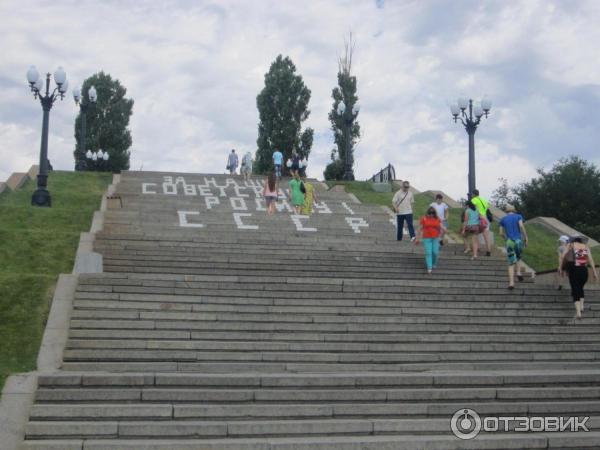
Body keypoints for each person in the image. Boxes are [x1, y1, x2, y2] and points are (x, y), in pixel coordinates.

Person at [560, 236, 598, 320]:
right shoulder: (586, 247)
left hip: (574, 270)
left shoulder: (571, 245)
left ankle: (578, 313)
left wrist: (561, 268)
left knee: (575, 289)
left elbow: (563, 256)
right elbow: (591, 260)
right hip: (584, 270)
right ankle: (581, 306)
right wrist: (595, 272)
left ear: (573, 240)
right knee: (580, 288)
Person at [498, 204, 529, 290]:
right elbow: (521, 226)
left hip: (509, 242)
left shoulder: (503, 219)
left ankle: (511, 283)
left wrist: (506, 239)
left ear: (506, 211)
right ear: (514, 210)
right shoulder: (518, 216)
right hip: (518, 241)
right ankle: (518, 272)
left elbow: (500, 233)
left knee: (511, 263)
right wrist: (526, 237)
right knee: (518, 257)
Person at [417, 206, 446, 274]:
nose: (431, 214)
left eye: (433, 213)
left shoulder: (437, 219)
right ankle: (429, 267)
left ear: (434, 213)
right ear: (427, 212)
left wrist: (443, 233)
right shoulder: (424, 219)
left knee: (435, 252)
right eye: (430, 212)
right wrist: (417, 238)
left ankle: (433, 263)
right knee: (428, 253)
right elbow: (419, 229)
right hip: (426, 238)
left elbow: (442, 227)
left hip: (435, 238)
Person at [471, 189, 492, 256]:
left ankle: (477, 248)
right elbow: (487, 208)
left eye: (472, 194)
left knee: (475, 234)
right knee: (486, 236)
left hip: (479, 219)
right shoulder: (484, 200)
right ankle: (488, 251)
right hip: (486, 219)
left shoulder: (473, 200)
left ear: (473, 194)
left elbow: (473, 209)